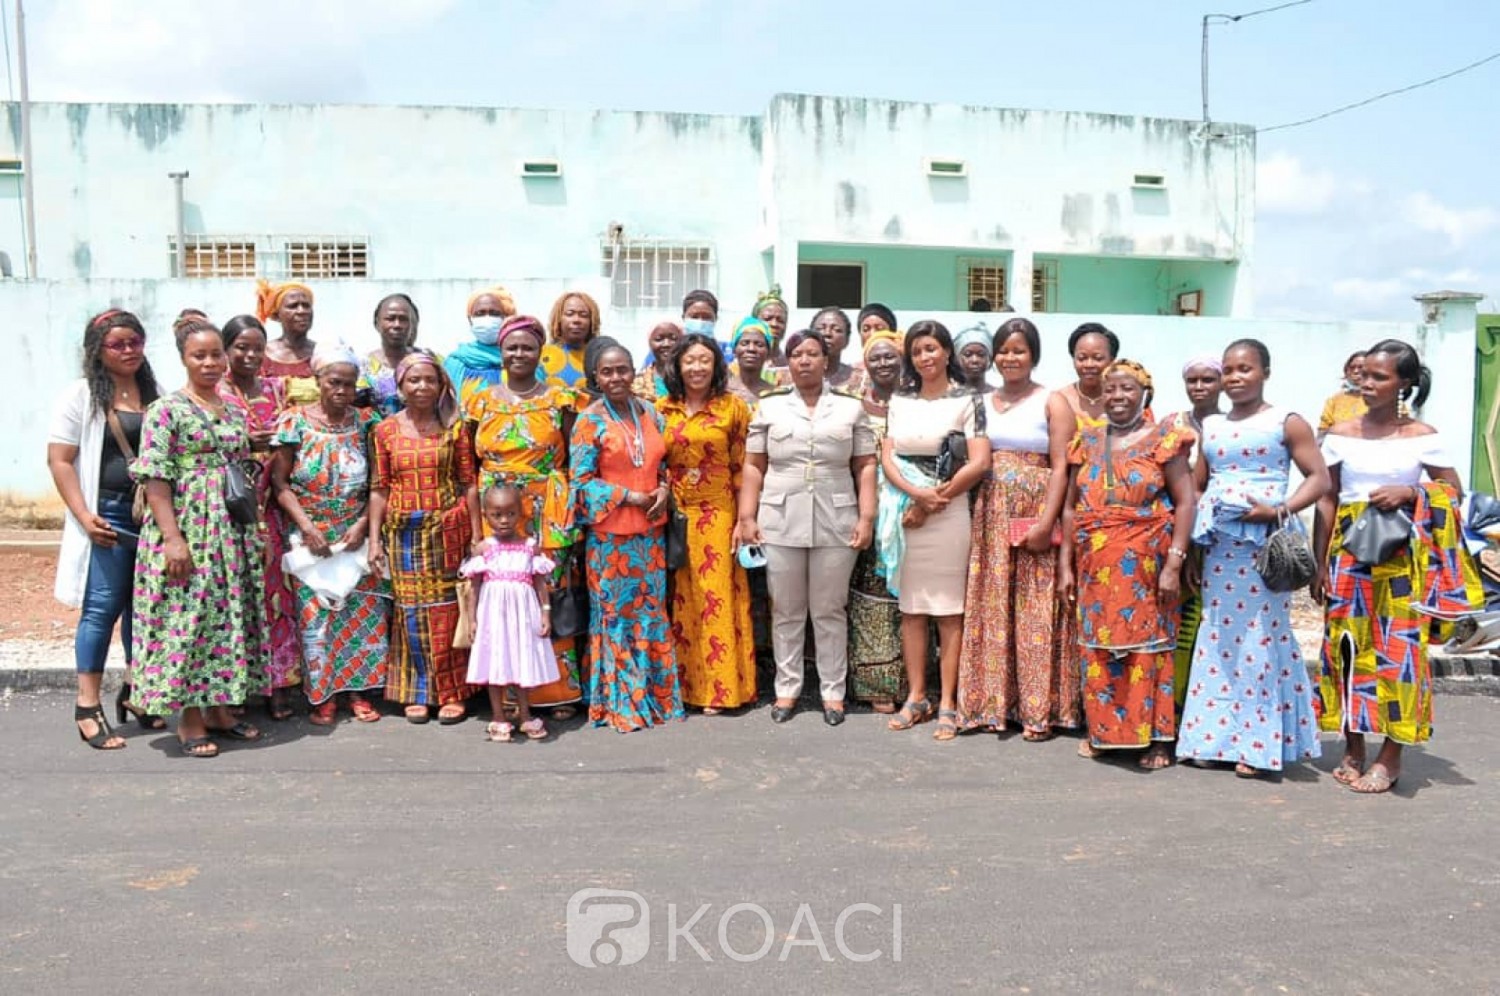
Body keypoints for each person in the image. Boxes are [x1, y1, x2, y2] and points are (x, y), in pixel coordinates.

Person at [1314, 339, 1482, 794]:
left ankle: (1392, 753)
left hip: (1403, 557)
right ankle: (1352, 744)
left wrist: (1411, 494)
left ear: (1403, 383)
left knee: (1400, 654)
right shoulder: (1340, 433)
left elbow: (1454, 493)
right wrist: (1318, 562)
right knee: (1346, 648)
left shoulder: (1424, 436)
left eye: (1379, 377)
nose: (1366, 384)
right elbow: (1326, 499)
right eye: (1363, 375)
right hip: (1350, 552)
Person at [1176, 339, 1328, 776]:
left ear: (1265, 372)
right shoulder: (1215, 426)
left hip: (1264, 546)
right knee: (1218, 636)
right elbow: (1199, 485)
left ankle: (1258, 746)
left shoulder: (1286, 421)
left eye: (1245, 368)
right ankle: (1213, 739)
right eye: (1229, 370)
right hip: (1219, 546)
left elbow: (1317, 479)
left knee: (1259, 636)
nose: (1235, 377)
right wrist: (1191, 547)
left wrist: (1278, 510)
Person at [128, 318, 267, 757]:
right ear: (183, 359)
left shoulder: (228, 406)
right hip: (189, 526)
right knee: (186, 620)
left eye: (215, 355)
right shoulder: (166, 410)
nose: (209, 363)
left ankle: (219, 710)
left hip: (229, 529)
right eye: (199, 356)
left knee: (223, 618)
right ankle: (189, 719)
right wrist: (172, 539)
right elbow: (155, 477)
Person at [1060, 359, 1195, 770]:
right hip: (1094, 560)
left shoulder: (1162, 439)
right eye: (1111, 390)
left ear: (1145, 395)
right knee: (1099, 647)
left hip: (1147, 562)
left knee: (1148, 647)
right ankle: (1106, 734)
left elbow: (1186, 501)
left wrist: (1175, 563)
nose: (1118, 397)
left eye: (1128, 389)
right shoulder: (1086, 439)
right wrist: (1066, 564)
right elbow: (1069, 509)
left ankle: (1156, 739)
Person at [738, 329, 877, 726]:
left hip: (837, 518)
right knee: (786, 608)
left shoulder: (850, 409)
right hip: (779, 518)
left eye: (812, 354)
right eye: (796, 354)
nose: (804, 361)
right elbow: (754, 464)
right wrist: (747, 515)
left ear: (826, 360)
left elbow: (865, 464)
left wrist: (866, 516)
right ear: (786, 362)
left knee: (830, 609)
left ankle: (833, 692)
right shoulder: (771, 407)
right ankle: (788, 689)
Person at [956, 318, 1079, 740]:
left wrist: (1047, 521)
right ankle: (990, 706)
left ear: (1034, 355)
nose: (1010, 358)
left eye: (1019, 350)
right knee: (992, 605)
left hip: (1035, 510)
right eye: (1004, 350)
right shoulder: (981, 402)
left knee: (1034, 609)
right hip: (990, 512)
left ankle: (1038, 710)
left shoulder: (1053, 401)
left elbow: (1062, 465)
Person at [47, 310, 164, 748]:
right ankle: (87, 705)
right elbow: (60, 460)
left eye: (135, 341)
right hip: (107, 515)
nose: (129, 350)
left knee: (145, 608)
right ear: (98, 350)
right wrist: (83, 515)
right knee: (102, 608)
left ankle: (137, 692)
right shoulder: (80, 395)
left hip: (149, 516)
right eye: (119, 344)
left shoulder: (155, 393)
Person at [464, 314, 584, 716]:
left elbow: (573, 457)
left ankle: (557, 691)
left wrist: (568, 516)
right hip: (494, 510)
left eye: (527, 347)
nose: (519, 354)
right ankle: (508, 692)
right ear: (500, 352)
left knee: (547, 593)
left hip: (545, 507)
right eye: (511, 347)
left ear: (540, 352)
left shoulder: (561, 398)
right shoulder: (480, 399)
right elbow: (468, 464)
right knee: (499, 601)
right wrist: (474, 525)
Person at [878, 321, 991, 740]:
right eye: (919, 350)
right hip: (906, 506)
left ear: (947, 353)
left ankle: (948, 701)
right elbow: (888, 456)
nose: (926, 357)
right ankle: (917, 696)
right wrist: (915, 496)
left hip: (949, 506)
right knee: (911, 610)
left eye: (933, 349)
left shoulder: (968, 400)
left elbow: (978, 462)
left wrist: (934, 500)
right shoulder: (900, 398)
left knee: (948, 612)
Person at [270, 344, 389, 726]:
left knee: (361, 615)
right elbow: (280, 483)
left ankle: (359, 692)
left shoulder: (367, 423)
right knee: (317, 619)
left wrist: (362, 527)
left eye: (349, 384)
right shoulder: (295, 422)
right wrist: (307, 528)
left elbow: (378, 483)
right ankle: (322, 696)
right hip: (311, 537)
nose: (341, 391)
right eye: (334, 382)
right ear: (318, 382)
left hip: (355, 534)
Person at [570, 342, 684, 732]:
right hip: (609, 542)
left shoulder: (650, 413)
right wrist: (629, 497)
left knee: (650, 616)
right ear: (596, 378)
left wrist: (664, 491)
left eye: (623, 369)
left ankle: (656, 698)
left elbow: (665, 465)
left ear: (634, 371)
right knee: (615, 619)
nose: (616, 378)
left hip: (649, 539)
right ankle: (622, 703)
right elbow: (580, 484)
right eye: (607, 372)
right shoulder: (589, 421)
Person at [369, 351, 481, 724]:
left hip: (448, 529)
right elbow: (379, 489)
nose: (422, 387)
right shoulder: (384, 430)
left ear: (441, 385)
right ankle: (415, 692)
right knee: (410, 613)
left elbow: (469, 483)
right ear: (400, 387)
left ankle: (453, 691)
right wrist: (374, 540)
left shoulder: (456, 428)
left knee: (450, 611)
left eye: (429, 380)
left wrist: (477, 537)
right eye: (413, 380)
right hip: (403, 535)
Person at [660, 332, 756, 713]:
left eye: (705, 360)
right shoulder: (661, 408)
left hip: (719, 513)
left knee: (715, 600)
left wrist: (744, 519)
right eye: (689, 361)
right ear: (677, 366)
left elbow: (745, 467)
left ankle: (720, 690)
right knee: (679, 599)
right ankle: (683, 688)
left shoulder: (732, 408)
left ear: (716, 364)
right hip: (674, 515)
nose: (697, 367)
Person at [217, 314, 300, 720]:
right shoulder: (215, 393)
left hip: (272, 509)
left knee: (276, 597)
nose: (249, 355)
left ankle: (279, 683)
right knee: (238, 597)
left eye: (257, 347)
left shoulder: (277, 389)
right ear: (226, 350)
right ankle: (238, 686)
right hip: (231, 510)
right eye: (241, 347)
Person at [461, 485, 560, 742]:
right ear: (485, 515)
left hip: (523, 616)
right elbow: (474, 587)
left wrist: (545, 613)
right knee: (496, 662)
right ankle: (499, 717)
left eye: (510, 513)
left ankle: (525, 715)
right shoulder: (485, 548)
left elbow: (540, 583)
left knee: (521, 661)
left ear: (521, 513)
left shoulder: (530, 547)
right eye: (497, 515)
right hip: (493, 616)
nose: (504, 520)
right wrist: (472, 620)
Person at [847, 330, 906, 713]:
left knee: (911, 598)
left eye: (891, 356)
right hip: (864, 508)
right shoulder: (854, 407)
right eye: (876, 357)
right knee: (871, 597)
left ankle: (916, 682)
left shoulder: (918, 403)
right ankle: (874, 683)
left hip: (910, 510)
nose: (883, 363)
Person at [1164, 354, 1225, 712]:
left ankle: (1206, 706)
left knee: (1211, 619)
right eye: (1193, 380)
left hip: (1221, 535)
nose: (1199, 387)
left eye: (1208, 380)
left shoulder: (1233, 424)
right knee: (1181, 619)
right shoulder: (1173, 426)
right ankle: (1176, 705)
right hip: (1180, 529)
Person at [444, 287, 517, 408]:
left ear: (505, 318)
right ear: (470, 319)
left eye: (494, 313)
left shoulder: (519, 358)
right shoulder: (456, 361)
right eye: (480, 313)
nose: (487, 318)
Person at [360, 294, 423, 417]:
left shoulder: (426, 362)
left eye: (403, 319)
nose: (397, 325)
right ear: (376, 323)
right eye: (390, 318)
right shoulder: (363, 366)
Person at [256, 280, 318, 404]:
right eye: (293, 306)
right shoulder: (261, 355)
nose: (301, 311)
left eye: (306, 305)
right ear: (277, 315)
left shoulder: (322, 354)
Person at [1056, 322, 1120, 428]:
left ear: (1112, 360)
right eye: (1082, 358)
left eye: (1098, 358)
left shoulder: (1126, 400)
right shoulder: (1060, 400)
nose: (1089, 365)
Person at [541, 290, 602, 391]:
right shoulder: (541, 355)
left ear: (592, 321)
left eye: (583, 315)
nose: (576, 320)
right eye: (570, 314)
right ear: (559, 319)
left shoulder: (600, 357)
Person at [811, 307, 867, 393]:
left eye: (837, 330)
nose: (827, 333)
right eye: (820, 328)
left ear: (847, 340)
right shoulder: (792, 376)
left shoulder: (861, 380)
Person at [727, 318, 780, 406]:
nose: (751, 349)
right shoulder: (721, 392)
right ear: (734, 350)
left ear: (768, 352)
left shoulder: (775, 395)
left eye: (759, 344)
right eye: (745, 343)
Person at [1317, 350, 1368, 438]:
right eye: (1352, 368)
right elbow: (1322, 431)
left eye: (1361, 368)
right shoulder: (1334, 400)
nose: (1356, 371)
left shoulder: (1379, 400)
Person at [633, 320, 683, 403]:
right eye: (659, 339)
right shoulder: (638, 383)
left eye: (673, 339)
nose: (666, 344)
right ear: (650, 343)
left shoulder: (690, 378)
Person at [751, 288, 789, 367]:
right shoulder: (740, 363)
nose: (774, 324)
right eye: (767, 319)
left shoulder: (790, 363)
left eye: (780, 320)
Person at [952, 323, 993, 393]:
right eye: (968, 354)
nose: (975, 360)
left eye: (981, 354)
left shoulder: (999, 396)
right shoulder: (946, 398)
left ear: (990, 358)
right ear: (956, 359)